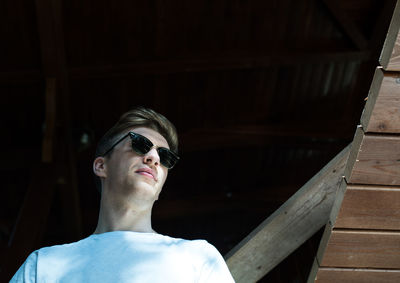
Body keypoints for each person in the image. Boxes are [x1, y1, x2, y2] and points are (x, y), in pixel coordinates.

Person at [11, 107, 235, 282]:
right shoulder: (43, 266)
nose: (154, 158)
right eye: (140, 144)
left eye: (165, 157)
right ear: (101, 166)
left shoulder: (198, 258)